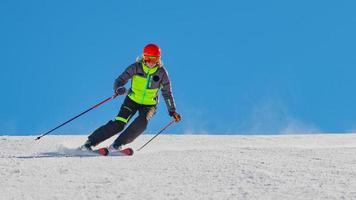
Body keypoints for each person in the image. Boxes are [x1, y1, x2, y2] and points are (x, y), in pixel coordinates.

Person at [80, 44, 181, 152]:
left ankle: (117, 145)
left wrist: (172, 111)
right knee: (119, 124)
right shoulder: (136, 67)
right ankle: (90, 143)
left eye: (154, 59)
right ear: (144, 57)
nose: (151, 62)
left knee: (142, 123)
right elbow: (119, 81)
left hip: (149, 105)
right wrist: (119, 88)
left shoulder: (162, 73)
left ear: (158, 59)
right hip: (132, 100)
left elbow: (167, 93)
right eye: (148, 58)